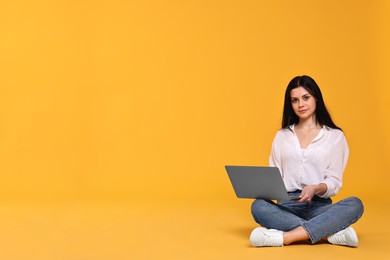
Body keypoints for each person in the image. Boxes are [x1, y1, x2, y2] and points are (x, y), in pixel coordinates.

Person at [250, 75, 364, 247]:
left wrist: (315, 188)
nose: (300, 104)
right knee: (258, 206)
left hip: (320, 207)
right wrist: (264, 188)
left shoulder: (335, 136)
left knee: (355, 205)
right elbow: (275, 174)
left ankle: (285, 237)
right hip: (287, 205)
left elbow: (334, 181)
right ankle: (327, 234)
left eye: (305, 98)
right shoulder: (282, 136)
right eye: (295, 100)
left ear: (316, 98)